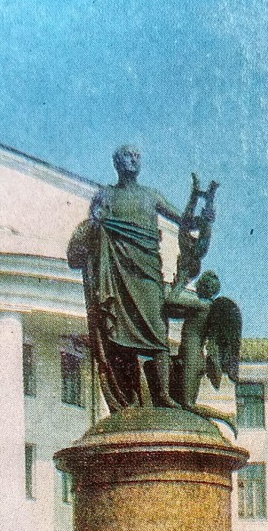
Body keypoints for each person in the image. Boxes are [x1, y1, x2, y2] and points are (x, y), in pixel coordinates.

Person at [68, 145, 183, 411]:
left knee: (158, 332)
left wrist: (202, 217)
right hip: (117, 274)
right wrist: (96, 225)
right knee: (120, 335)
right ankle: (129, 395)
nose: (133, 160)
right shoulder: (105, 196)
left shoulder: (151, 196)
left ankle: (164, 394)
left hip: (147, 272)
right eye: (127, 156)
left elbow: (183, 220)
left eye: (137, 156)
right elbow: (91, 232)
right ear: (116, 163)